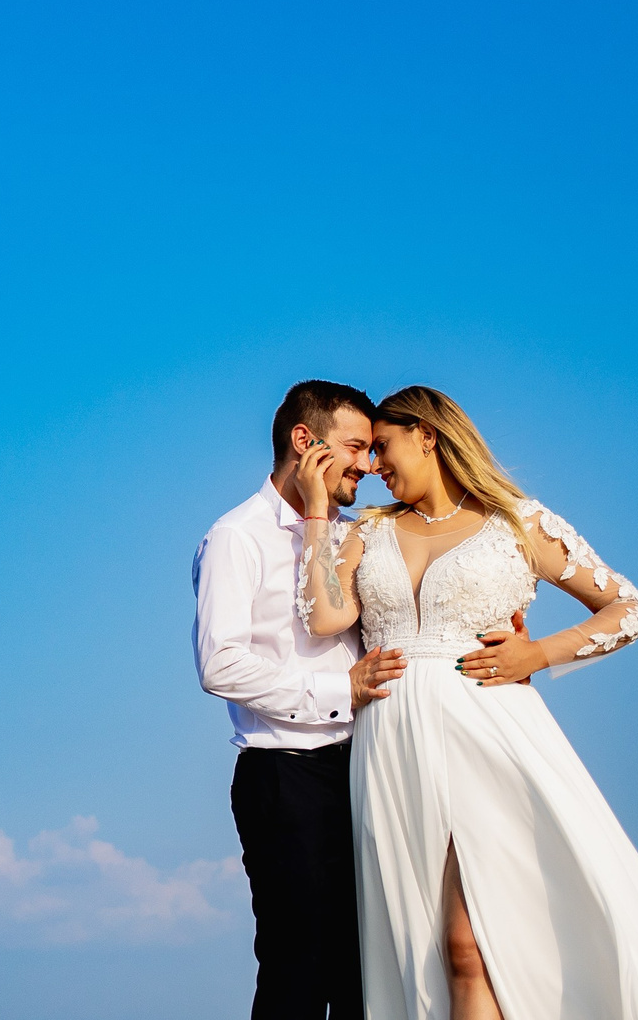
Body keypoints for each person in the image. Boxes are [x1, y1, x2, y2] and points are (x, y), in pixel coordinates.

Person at [295, 385, 638, 1020]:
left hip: (491, 735)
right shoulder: (365, 531)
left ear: (428, 435)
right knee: (424, 949)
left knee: (469, 945)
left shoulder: (518, 523)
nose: (372, 466)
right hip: (393, 747)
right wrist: (317, 512)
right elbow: (324, 617)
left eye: (384, 446)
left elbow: (631, 609)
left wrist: (538, 655)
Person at [194, 380, 409, 1018]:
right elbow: (219, 664)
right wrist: (338, 691)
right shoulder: (237, 536)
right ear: (304, 442)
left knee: (364, 967)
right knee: (298, 962)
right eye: (356, 447)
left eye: (374, 451)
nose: (369, 466)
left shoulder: (355, 535)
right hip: (285, 772)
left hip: (368, 764)